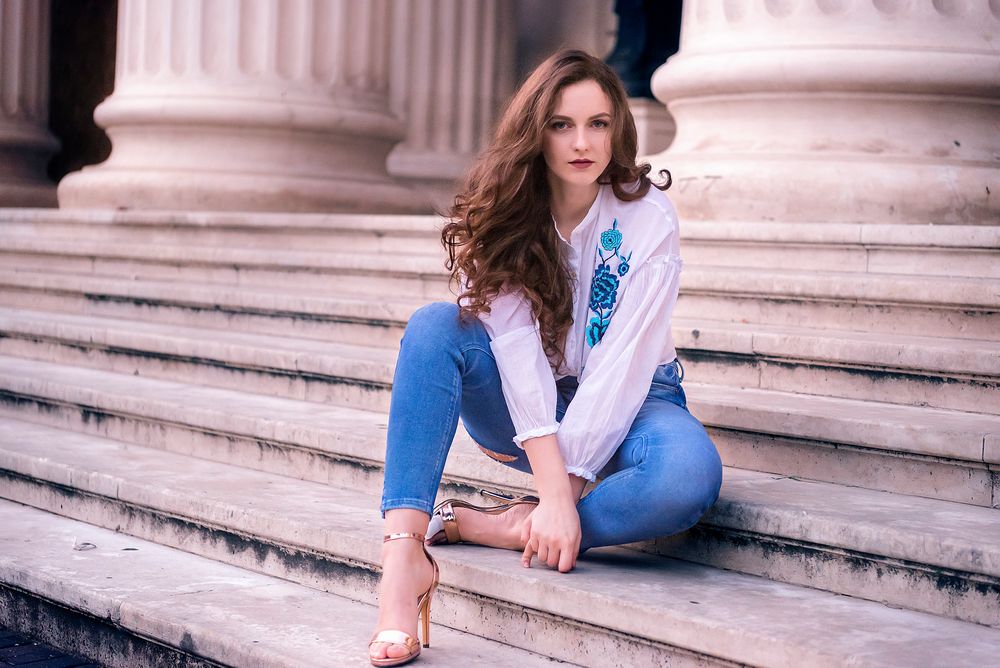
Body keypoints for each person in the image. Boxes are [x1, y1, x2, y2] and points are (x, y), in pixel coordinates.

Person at [368, 49, 723, 667]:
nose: (583, 142)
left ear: (619, 128)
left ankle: (504, 525)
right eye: (562, 124)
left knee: (688, 476)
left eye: (598, 123)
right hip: (524, 408)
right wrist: (555, 484)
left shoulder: (648, 218)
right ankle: (402, 564)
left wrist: (562, 497)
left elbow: (623, 369)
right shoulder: (510, 213)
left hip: (640, 399)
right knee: (433, 328)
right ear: (535, 132)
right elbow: (516, 355)